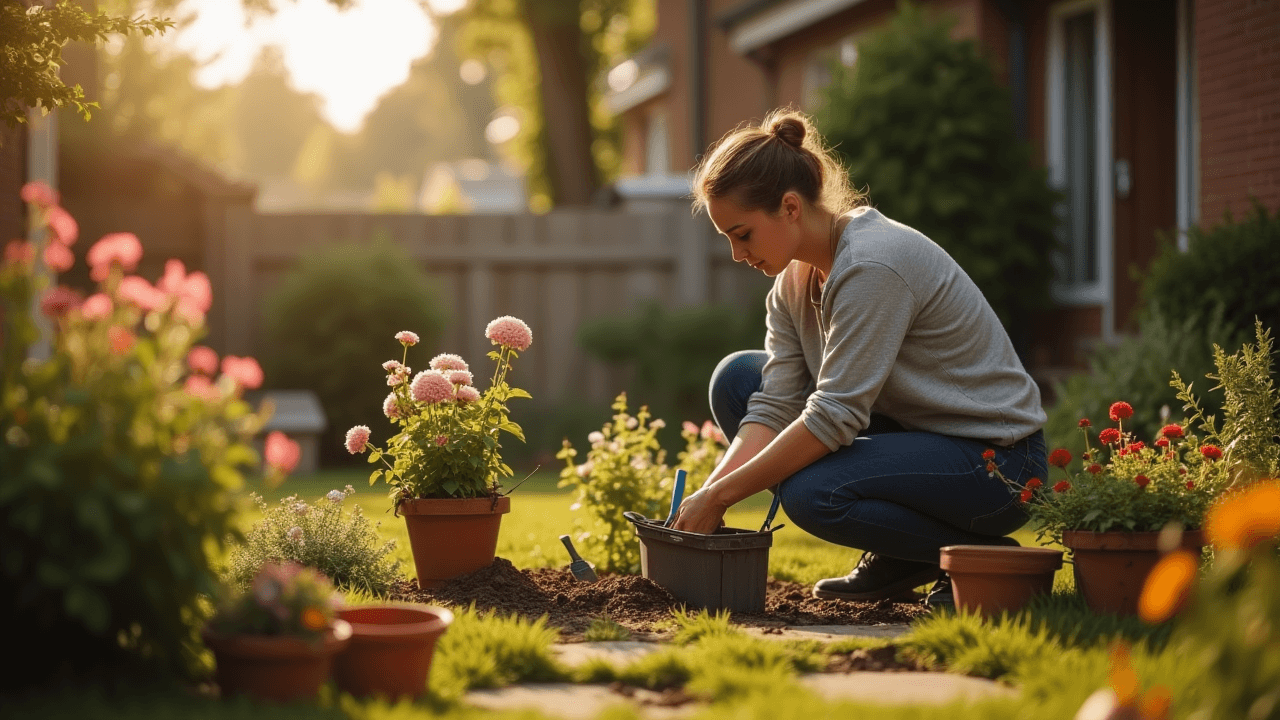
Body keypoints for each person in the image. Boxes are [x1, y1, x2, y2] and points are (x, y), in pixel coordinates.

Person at [670, 109, 1048, 608]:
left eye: (743, 234)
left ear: (789, 207)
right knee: (739, 379)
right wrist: (702, 503)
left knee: (812, 493)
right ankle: (903, 555)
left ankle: (979, 558)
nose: (739, 254)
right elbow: (774, 406)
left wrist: (719, 498)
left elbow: (834, 415)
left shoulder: (873, 265)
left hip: (997, 464)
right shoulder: (792, 283)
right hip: (919, 439)